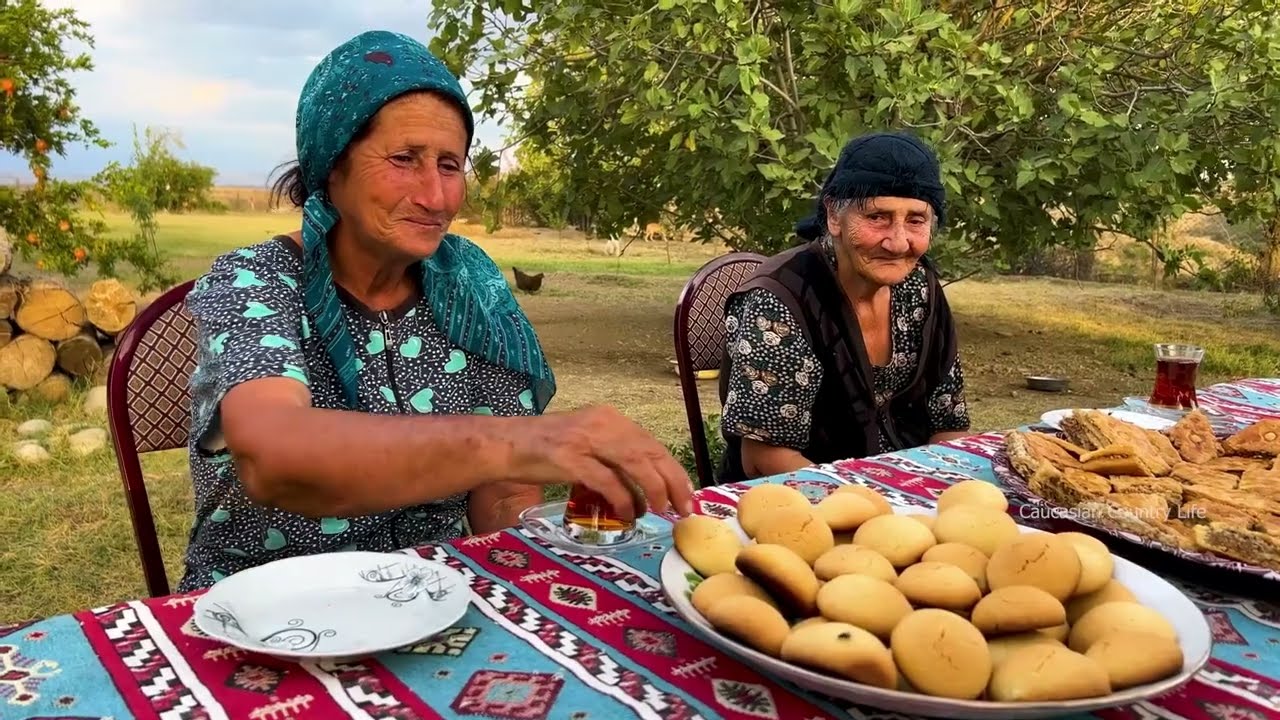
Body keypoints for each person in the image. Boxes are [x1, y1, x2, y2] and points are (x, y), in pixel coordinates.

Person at [180, 30, 692, 592]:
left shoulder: (470, 283)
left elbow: (504, 496)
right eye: (404, 159)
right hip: (264, 608)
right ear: (332, 166)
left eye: (450, 165)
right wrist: (523, 442)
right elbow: (274, 458)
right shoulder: (255, 280)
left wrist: (548, 539)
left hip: (433, 597)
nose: (436, 196)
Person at [716, 131, 971, 483]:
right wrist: (871, 503)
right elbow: (764, 457)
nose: (898, 243)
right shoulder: (781, 299)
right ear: (834, 216)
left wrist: (939, 492)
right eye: (877, 217)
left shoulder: (920, 287)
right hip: (795, 503)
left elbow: (948, 423)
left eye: (916, 220)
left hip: (902, 494)